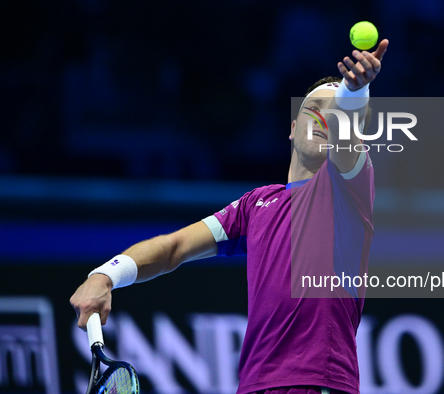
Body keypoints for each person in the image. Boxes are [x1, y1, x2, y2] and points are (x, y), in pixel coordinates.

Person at [70, 39, 389, 394]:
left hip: (317, 383)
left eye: (336, 113)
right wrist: (105, 275)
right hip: (254, 387)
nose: (325, 117)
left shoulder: (349, 188)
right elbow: (174, 247)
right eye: (315, 107)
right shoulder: (256, 204)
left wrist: (356, 92)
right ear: (292, 126)